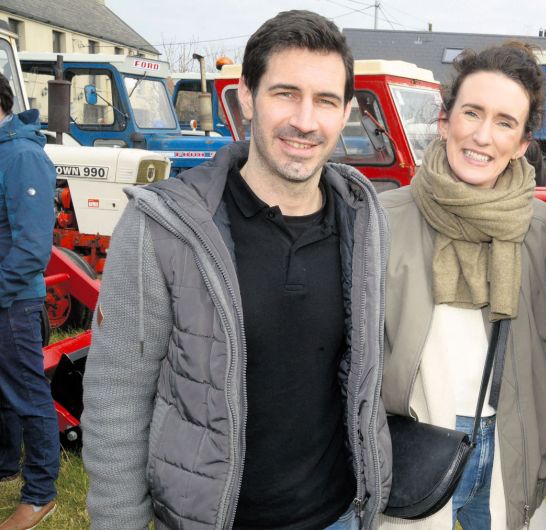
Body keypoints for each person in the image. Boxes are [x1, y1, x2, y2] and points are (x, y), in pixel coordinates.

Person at [82, 11, 391, 529]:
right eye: (285, 94)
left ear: (345, 114)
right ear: (246, 98)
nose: (306, 120)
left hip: (339, 515)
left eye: (326, 101)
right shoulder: (164, 226)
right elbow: (118, 393)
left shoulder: (364, 218)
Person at [378, 42, 546, 530]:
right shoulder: (382, 221)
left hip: (512, 446)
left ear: (523, 143)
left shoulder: (544, 229)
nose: (484, 136)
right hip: (415, 446)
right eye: (472, 113)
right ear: (445, 121)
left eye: (505, 122)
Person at [0, 72, 59, 529]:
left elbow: (32, 247)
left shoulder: (21, 155)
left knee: (28, 395)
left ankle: (40, 493)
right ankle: (5, 463)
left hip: (13, 303)